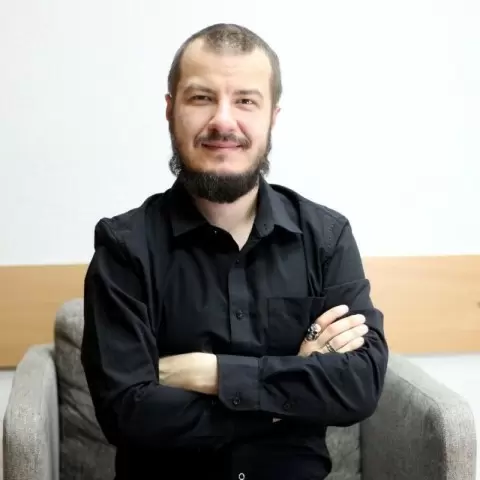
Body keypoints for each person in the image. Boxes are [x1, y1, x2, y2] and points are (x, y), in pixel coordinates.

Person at [81, 23, 389, 480]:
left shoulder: (326, 237)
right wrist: (290, 391)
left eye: (245, 100)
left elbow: (360, 385)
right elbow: (126, 412)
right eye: (201, 97)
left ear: (272, 117)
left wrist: (213, 374)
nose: (223, 121)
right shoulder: (123, 247)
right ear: (170, 110)